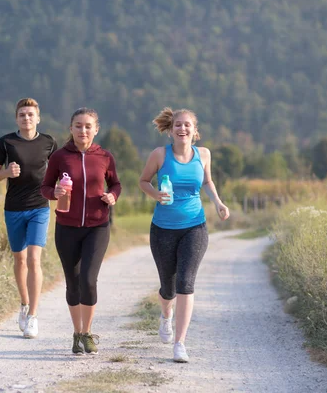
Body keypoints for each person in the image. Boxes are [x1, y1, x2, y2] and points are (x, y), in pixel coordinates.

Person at [138, 107, 229, 362]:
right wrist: (156, 195)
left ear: (194, 130)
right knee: (168, 288)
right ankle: (166, 315)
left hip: (194, 227)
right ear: (171, 129)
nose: (182, 129)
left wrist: (218, 203)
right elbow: (143, 181)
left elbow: (207, 182)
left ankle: (180, 343)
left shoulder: (204, 154)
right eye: (178, 124)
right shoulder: (159, 155)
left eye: (187, 125)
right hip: (163, 229)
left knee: (185, 283)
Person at [41, 107, 121, 355]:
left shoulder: (105, 156)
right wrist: (53, 193)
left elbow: (116, 183)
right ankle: (76, 334)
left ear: (96, 129)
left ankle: (87, 333)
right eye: (78, 125)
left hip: (98, 226)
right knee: (73, 282)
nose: (83, 130)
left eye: (88, 126)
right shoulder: (59, 157)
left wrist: (112, 195)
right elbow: (44, 187)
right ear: (71, 129)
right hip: (67, 227)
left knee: (88, 279)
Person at [0, 98, 57, 339]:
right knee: (20, 259)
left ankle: (34, 317)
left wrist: (61, 186)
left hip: (40, 206)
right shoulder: (6, 142)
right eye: (22, 115)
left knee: (34, 259)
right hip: (14, 208)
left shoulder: (49, 142)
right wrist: (6, 172)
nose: (26, 118)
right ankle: (25, 304)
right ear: (16, 118)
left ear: (38, 118)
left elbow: (60, 169)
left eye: (30, 114)